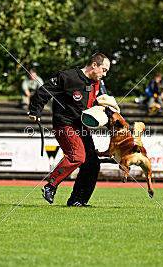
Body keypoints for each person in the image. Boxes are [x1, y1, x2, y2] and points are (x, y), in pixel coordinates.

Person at [28, 52, 110, 207]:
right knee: (77, 156)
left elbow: (105, 102)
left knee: (92, 164)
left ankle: (77, 200)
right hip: (64, 124)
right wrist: (34, 111)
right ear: (94, 65)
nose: (104, 74)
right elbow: (44, 90)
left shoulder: (99, 83)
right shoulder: (68, 77)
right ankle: (50, 186)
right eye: (104, 70)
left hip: (82, 127)